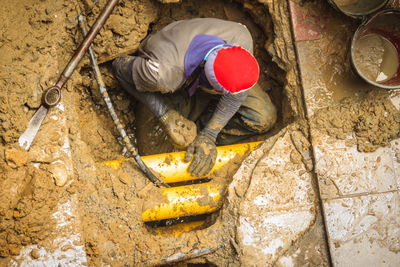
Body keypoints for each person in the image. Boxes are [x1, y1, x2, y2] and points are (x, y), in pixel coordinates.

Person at [112, 18, 277, 178]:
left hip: (208, 81)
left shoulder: (241, 39)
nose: (233, 96)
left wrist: (209, 135)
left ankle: (200, 137)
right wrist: (165, 114)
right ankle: (187, 135)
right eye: (227, 92)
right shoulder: (162, 74)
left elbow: (235, 97)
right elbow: (119, 67)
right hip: (169, 87)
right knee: (155, 158)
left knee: (263, 117)